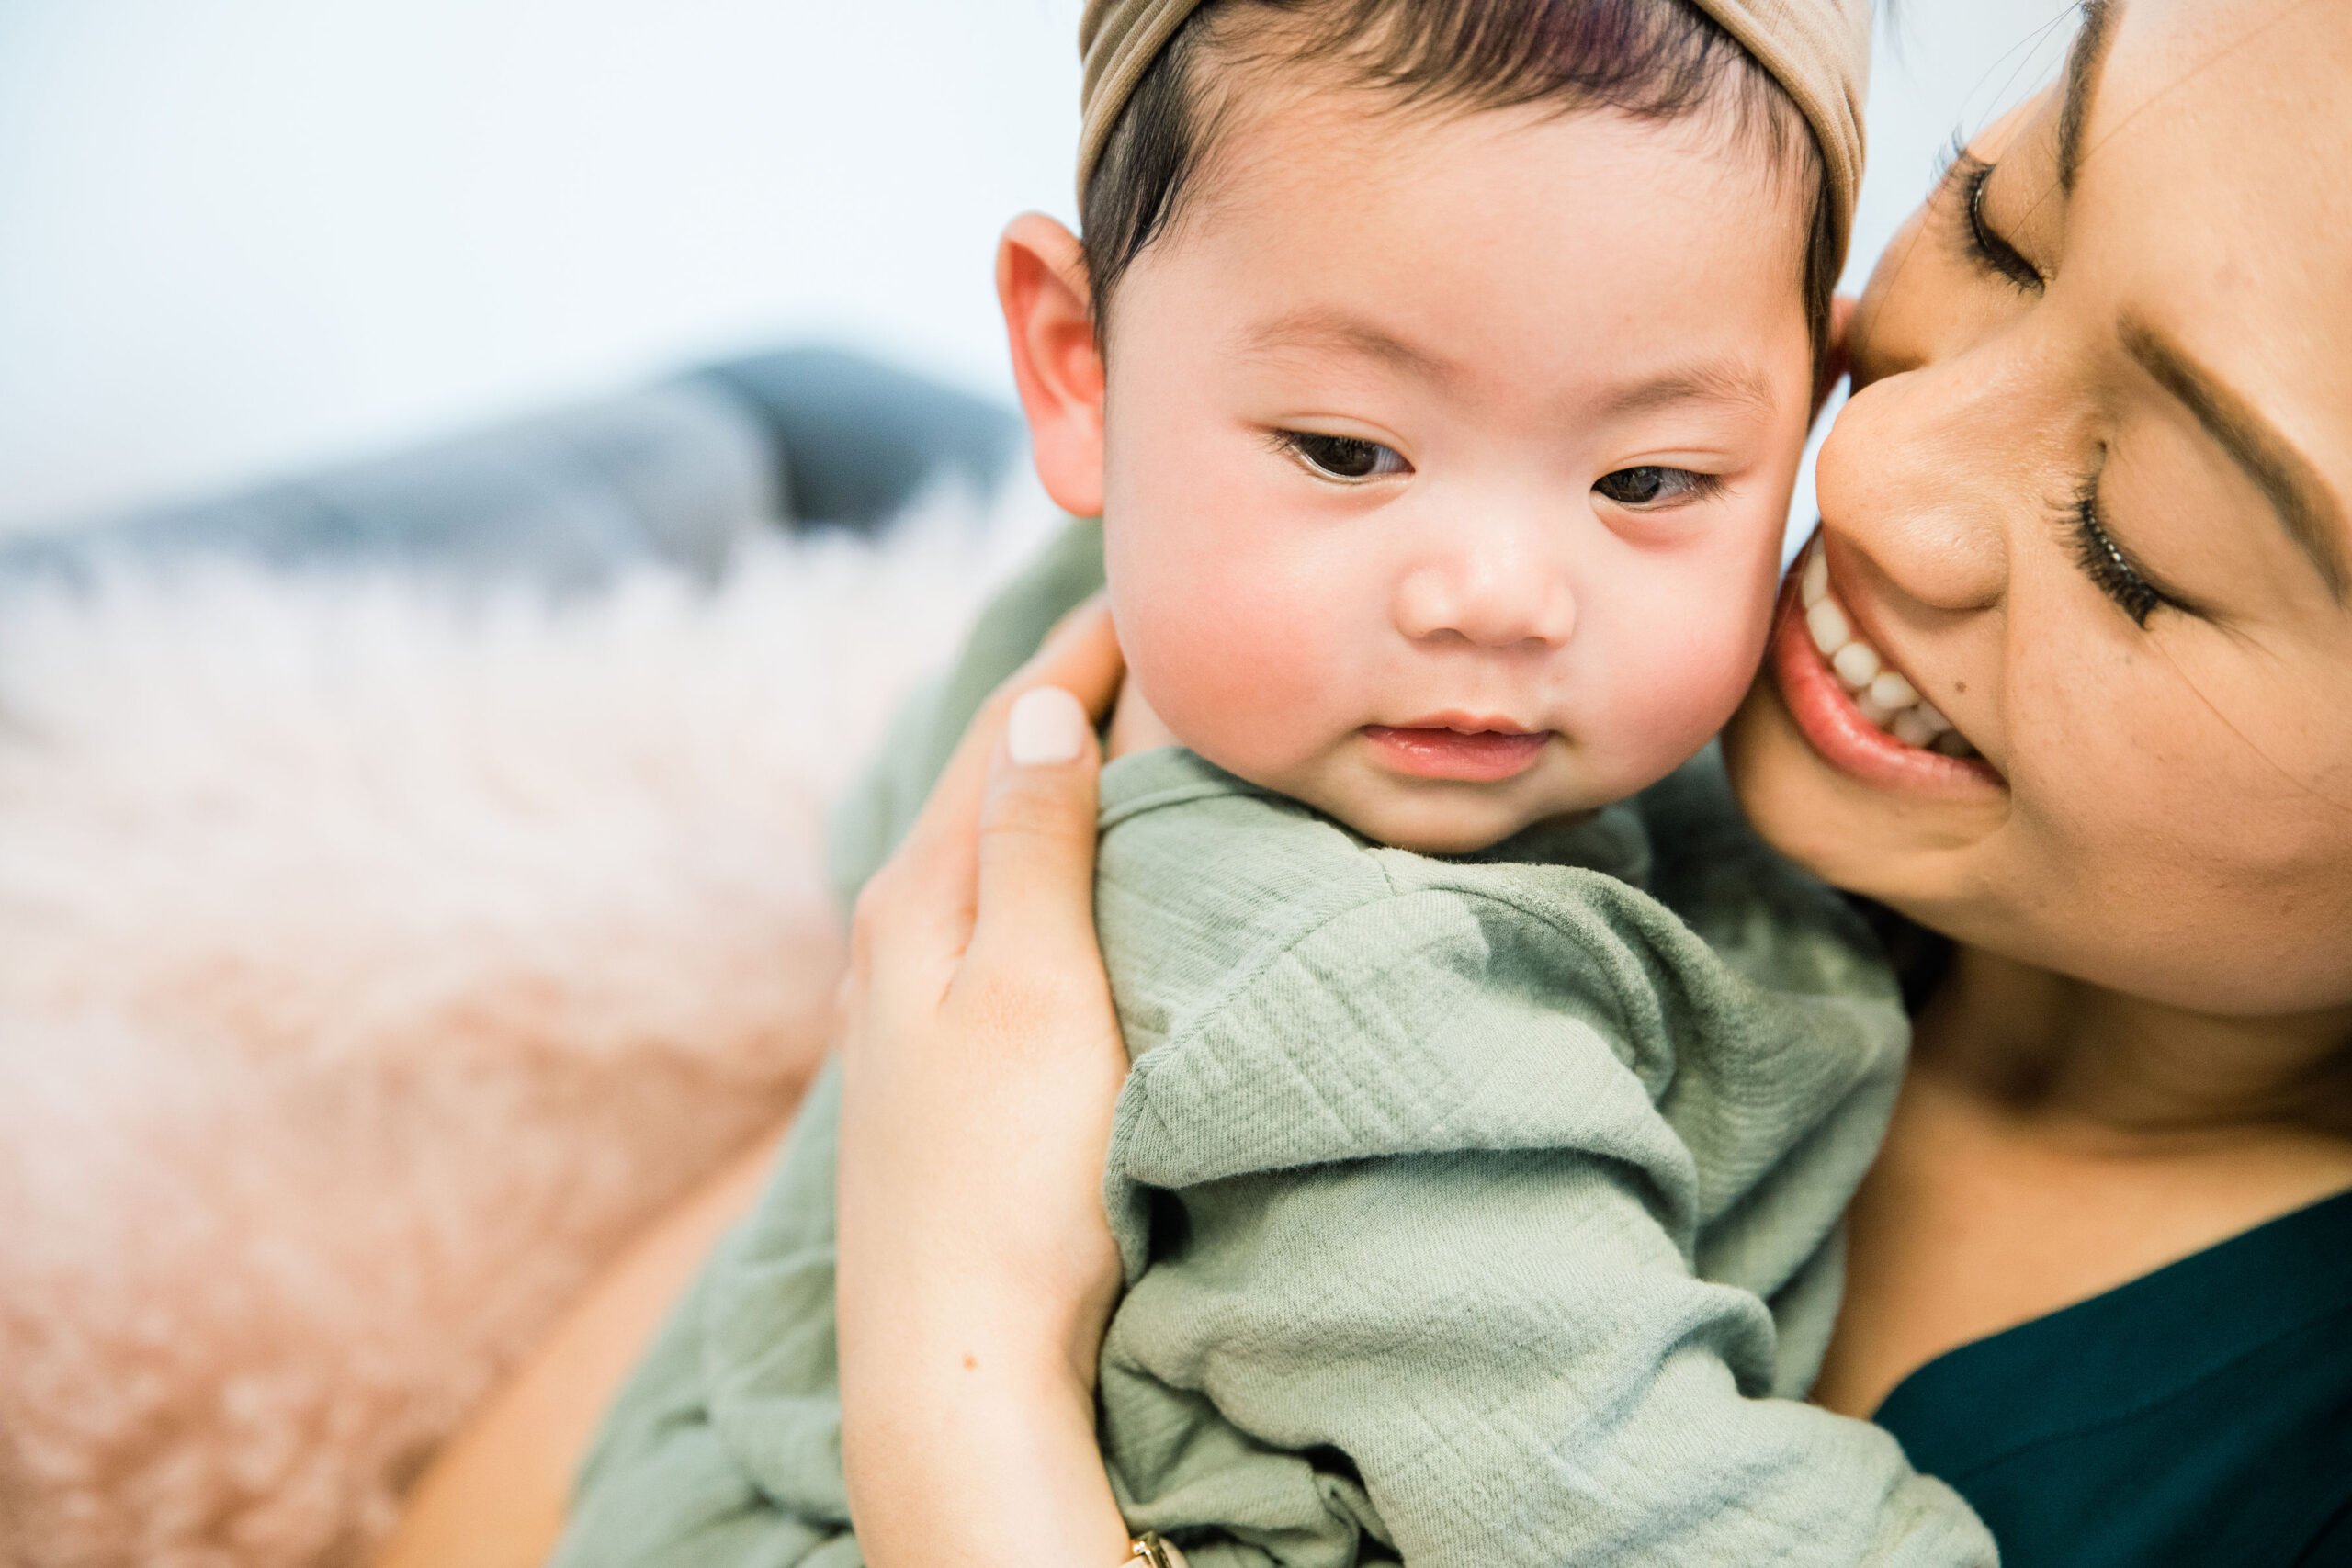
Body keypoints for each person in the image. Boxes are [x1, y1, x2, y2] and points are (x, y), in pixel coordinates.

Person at [373, 0, 2352, 1564]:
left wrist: (957, 1404)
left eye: (2141, 539)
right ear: (1078, 367)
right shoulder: (1359, 959)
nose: (1873, 468)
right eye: (1996, 223)